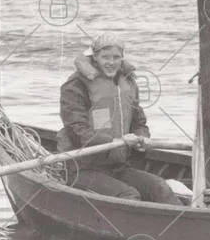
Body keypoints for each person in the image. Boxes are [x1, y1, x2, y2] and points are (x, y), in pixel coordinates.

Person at [58, 33, 182, 205]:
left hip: (118, 166)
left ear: (122, 58)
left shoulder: (128, 82)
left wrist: (141, 137)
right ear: (95, 57)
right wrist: (115, 141)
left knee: (160, 187)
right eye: (105, 57)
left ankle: (183, 220)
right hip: (82, 167)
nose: (111, 62)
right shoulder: (75, 85)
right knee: (128, 195)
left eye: (116, 57)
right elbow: (76, 130)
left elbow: (138, 121)